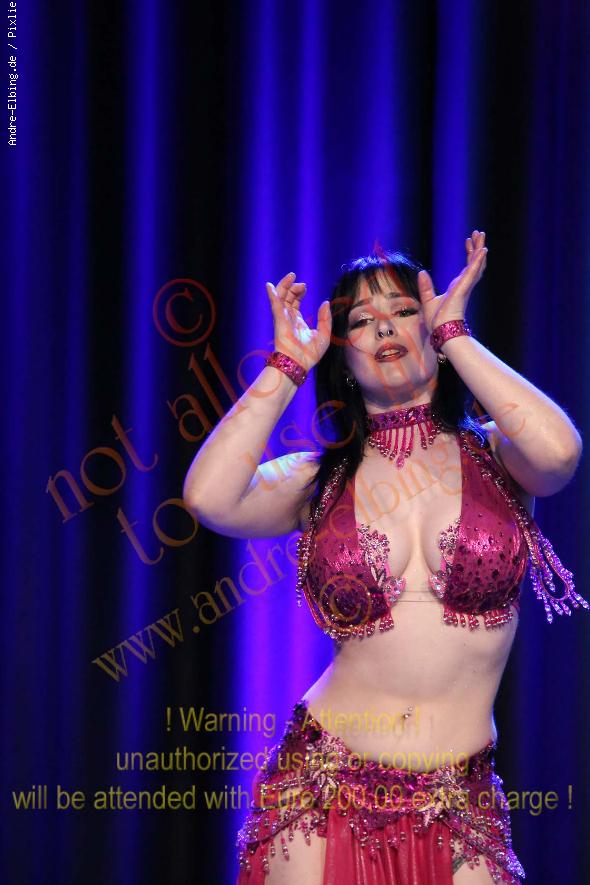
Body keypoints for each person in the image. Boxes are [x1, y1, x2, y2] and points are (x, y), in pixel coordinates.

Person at [182, 231, 587, 884]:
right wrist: (285, 367)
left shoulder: (500, 455)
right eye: (361, 321)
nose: (384, 326)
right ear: (344, 357)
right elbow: (209, 497)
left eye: (404, 310)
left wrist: (456, 334)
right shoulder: (317, 479)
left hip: (459, 801)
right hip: (322, 786)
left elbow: (561, 452)